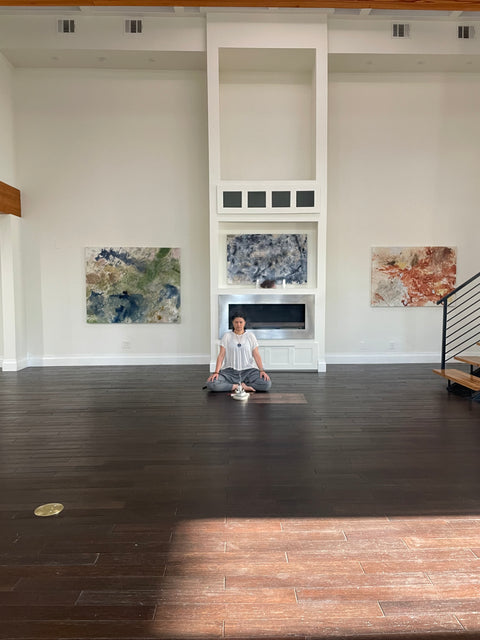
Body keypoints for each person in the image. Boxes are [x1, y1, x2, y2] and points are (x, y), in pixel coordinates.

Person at [206, 314, 272, 393]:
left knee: (266, 384)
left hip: (248, 371)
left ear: (244, 323)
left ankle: (238, 386)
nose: (238, 324)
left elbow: (256, 354)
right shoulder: (227, 336)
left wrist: (262, 370)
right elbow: (221, 355)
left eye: (241, 322)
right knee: (211, 383)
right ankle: (238, 386)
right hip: (229, 372)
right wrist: (216, 372)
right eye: (236, 322)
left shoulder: (250, 336)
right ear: (233, 323)